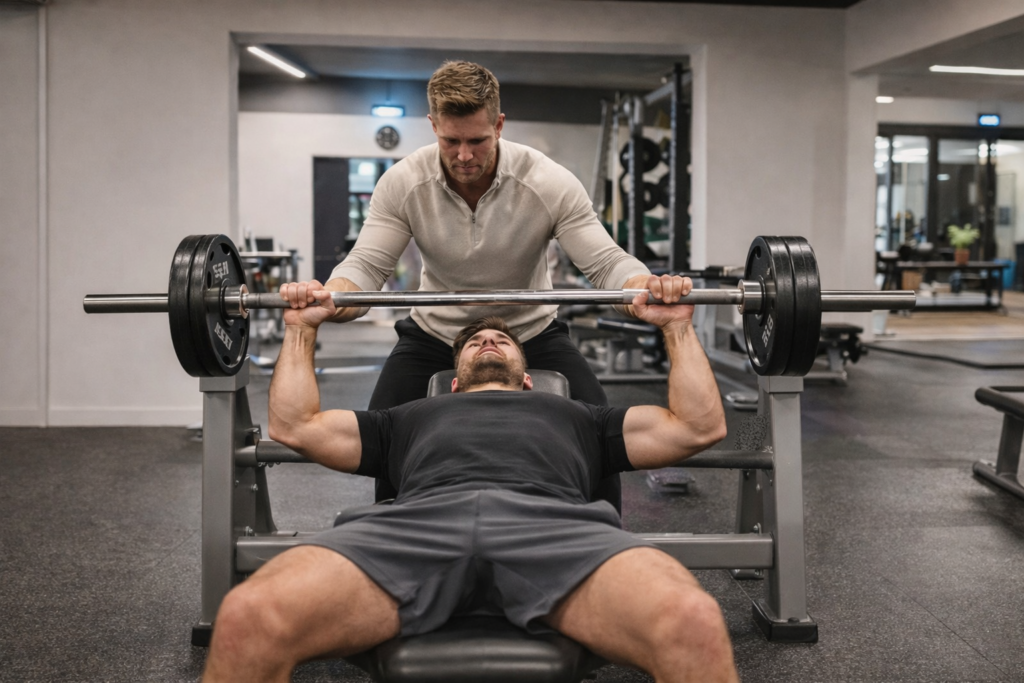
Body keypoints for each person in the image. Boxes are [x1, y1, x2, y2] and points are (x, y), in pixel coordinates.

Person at [201, 277, 737, 683]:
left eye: (501, 339)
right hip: (413, 526)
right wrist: (300, 329)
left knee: (692, 620)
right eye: (475, 339)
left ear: (529, 378)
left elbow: (698, 426)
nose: (487, 340)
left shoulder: (581, 416)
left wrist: (677, 325)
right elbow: (295, 426)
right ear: (452, 382)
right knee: (249, 616)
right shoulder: (403, 418)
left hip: (554, 527)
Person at [313, 60, 655, 507]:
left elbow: (606, 261)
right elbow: (367, 265)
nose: (464, 156)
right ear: (432, 124)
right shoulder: (403, 182)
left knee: (598, 436)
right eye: (450, 141)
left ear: (499, 124)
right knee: (386, 437)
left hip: (529, 330)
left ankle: (601, 548)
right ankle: (401, 548)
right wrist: (332, 294)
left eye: (477, 140)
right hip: (436, 332)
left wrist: (643, 285)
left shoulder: (547, 181)